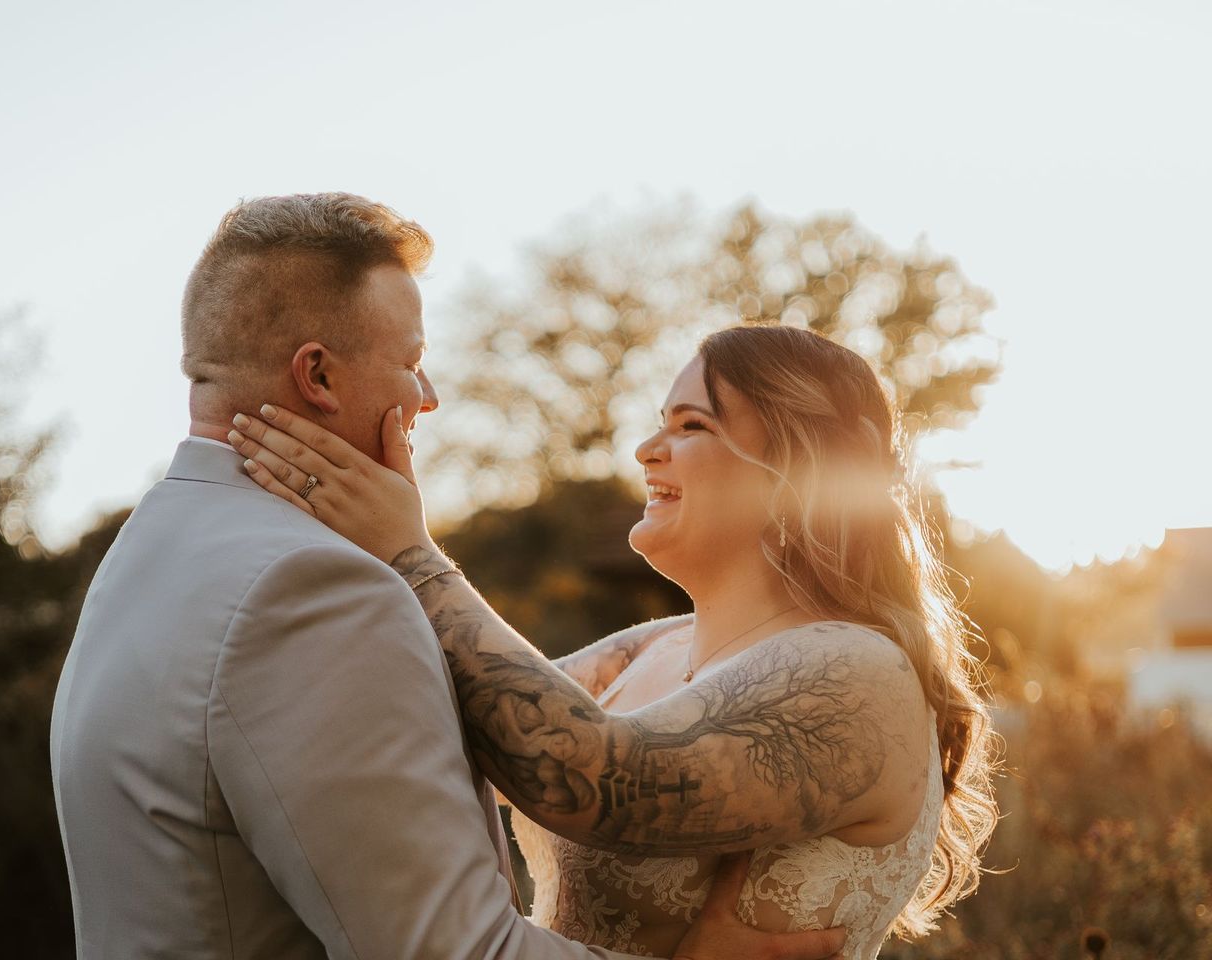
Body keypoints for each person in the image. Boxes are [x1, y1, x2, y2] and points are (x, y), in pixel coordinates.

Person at [50, 193, 847, 959]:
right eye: (412, 362)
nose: (427, 398)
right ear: (318, 377)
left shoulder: (143, 557)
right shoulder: (314, 590)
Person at [225, 323, 999, 959]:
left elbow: (592, 774)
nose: (646, 451)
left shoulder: (861, 674)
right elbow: (442, 713)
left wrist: (412, 556)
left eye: (692, 426)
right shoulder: (648, 649)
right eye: (662, 422)